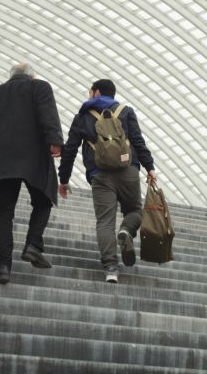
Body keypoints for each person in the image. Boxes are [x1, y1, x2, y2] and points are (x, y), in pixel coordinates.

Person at [0, 63, 64, 284]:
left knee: (2, 214)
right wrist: (55, 142)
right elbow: (47, 115)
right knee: (44, 199)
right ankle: (33, 245)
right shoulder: (39, 87)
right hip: (33, 156)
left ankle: (2, 267)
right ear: (31, 77)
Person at [58, 79, 156, 283]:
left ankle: (111, 267)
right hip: (128, 170)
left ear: (96, 92)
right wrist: (150, 167)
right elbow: (138, 141)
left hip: (100, 174)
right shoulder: (126, 111)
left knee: (104, 221)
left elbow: (70, 149)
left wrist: (64, 179)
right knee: (136, 211)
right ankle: (126, 230)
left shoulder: (83, 116)